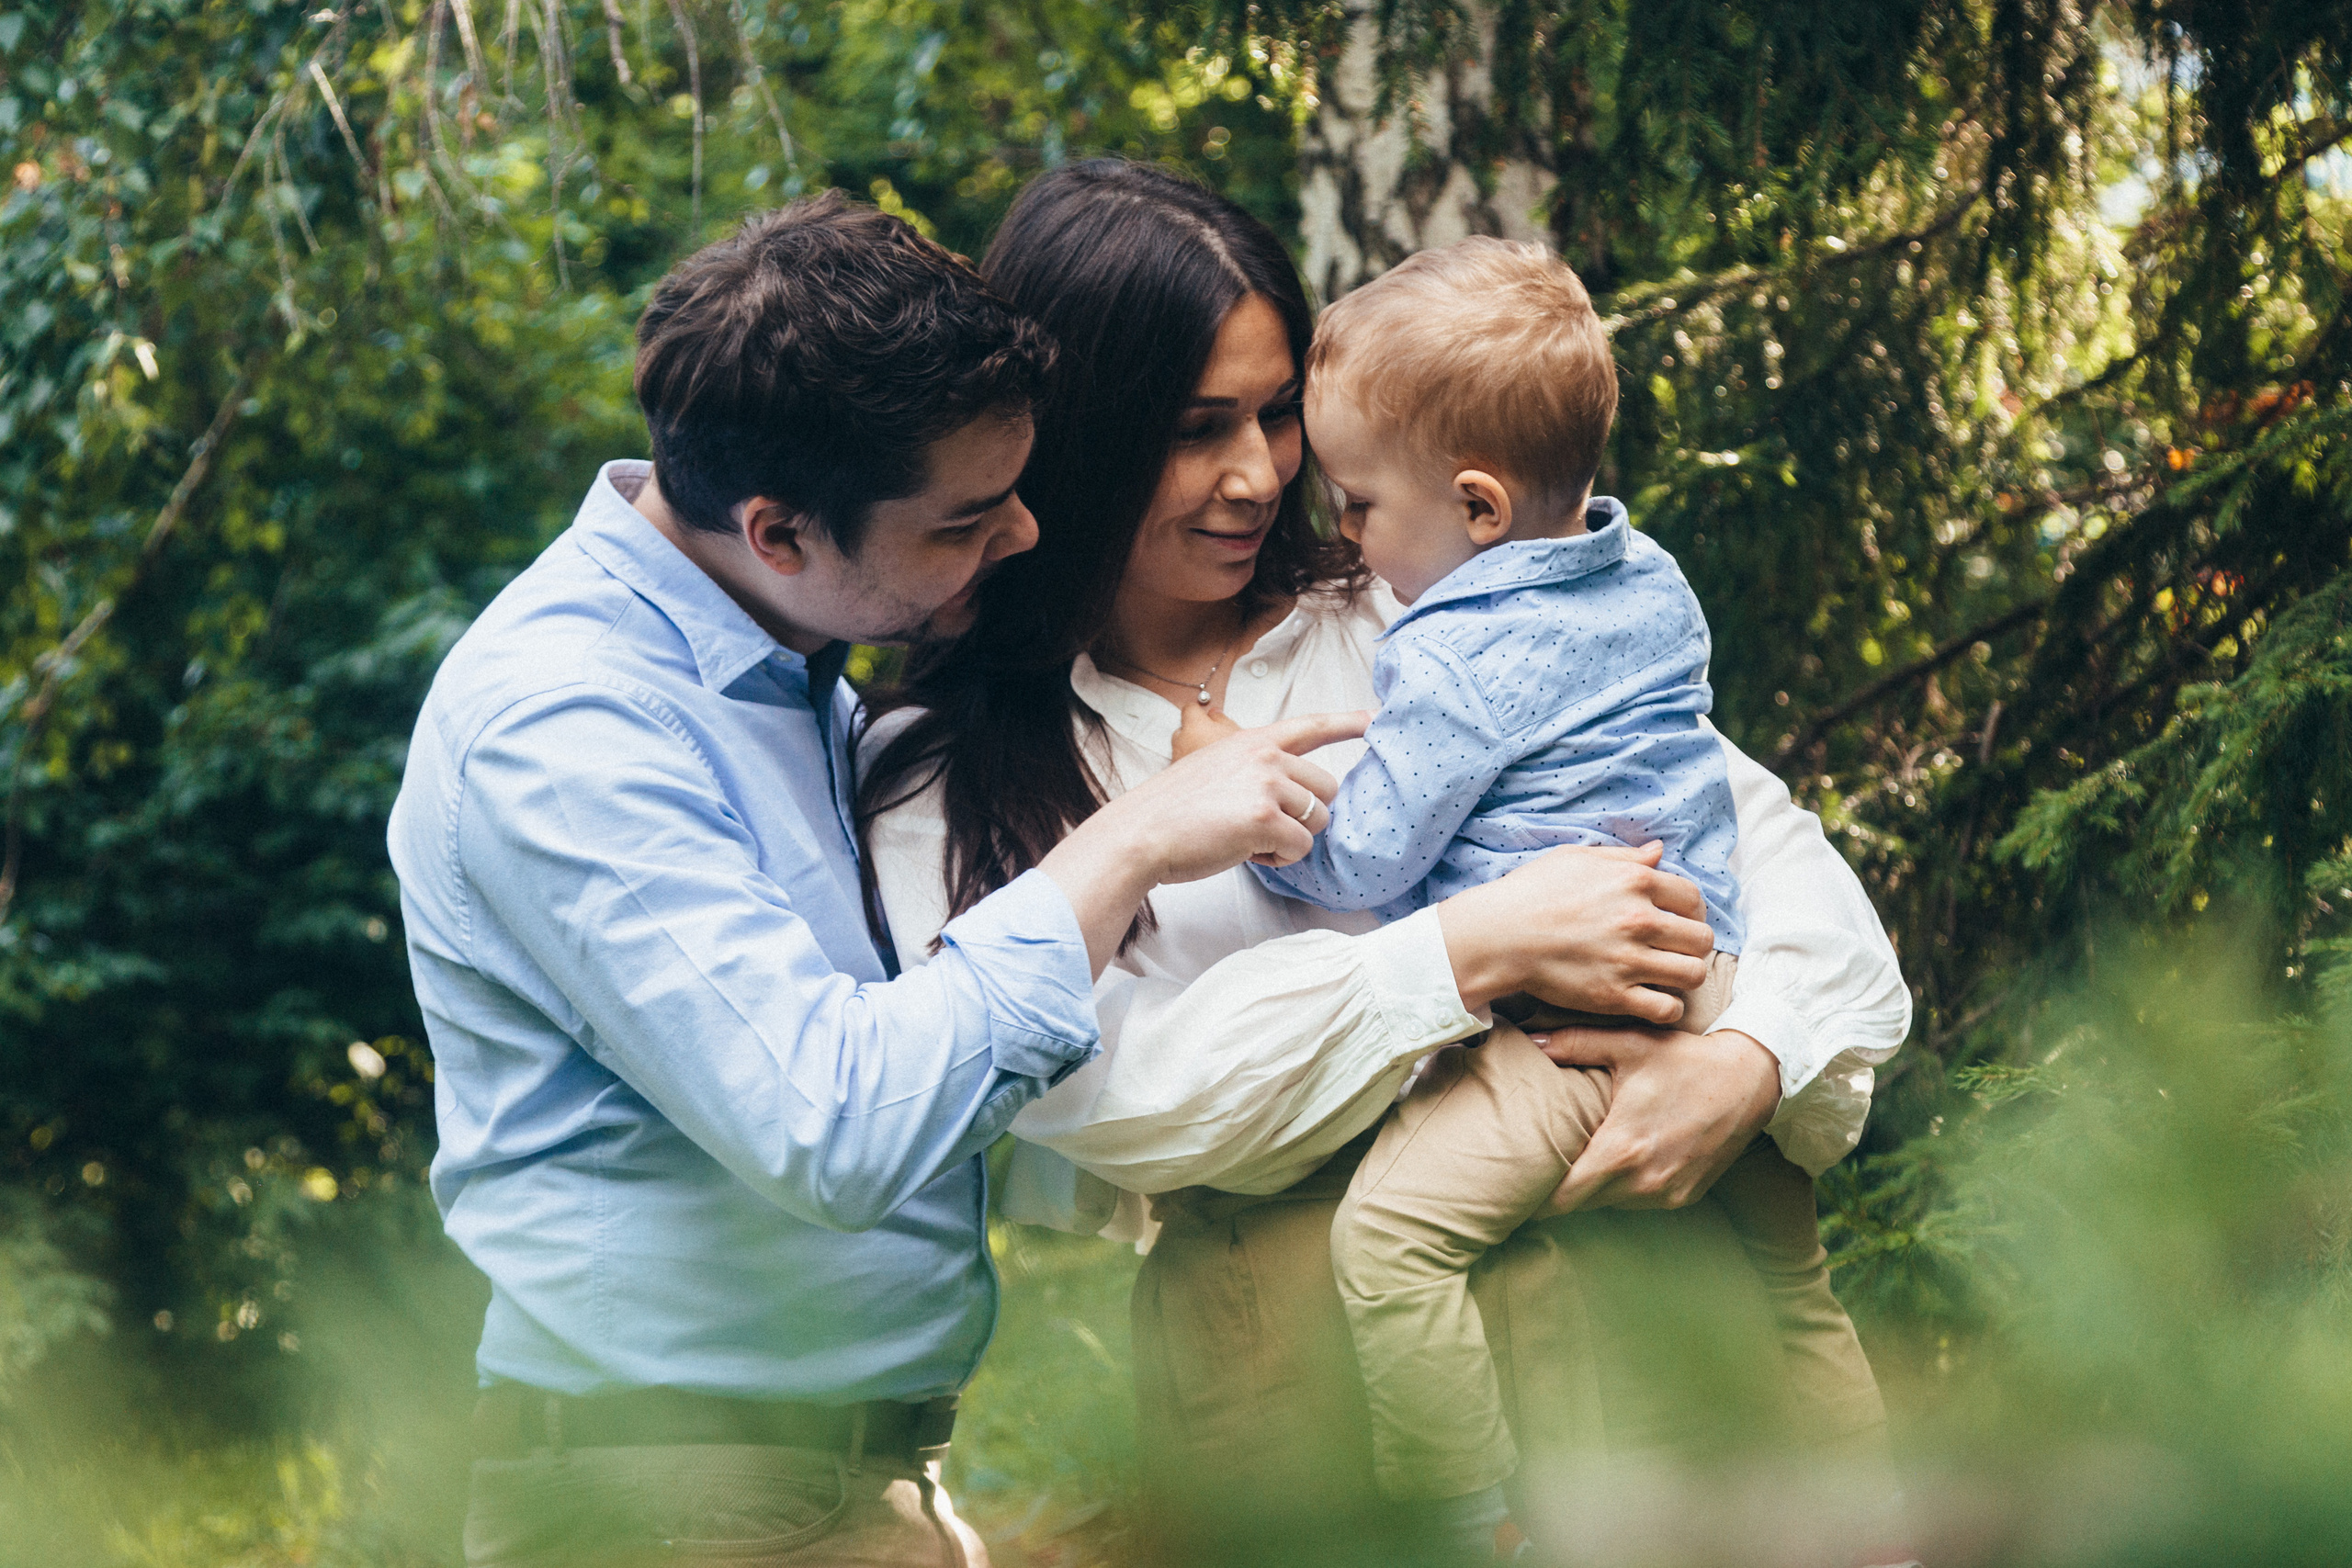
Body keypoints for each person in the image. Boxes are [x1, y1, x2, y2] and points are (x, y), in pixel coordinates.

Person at [859, 161, 1913, 1564]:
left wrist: (1754, 1058)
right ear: (1073, 436)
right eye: (1192, 429)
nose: (1254, 477)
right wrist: (1467, 954)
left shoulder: (1434, 604)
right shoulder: (954, 766)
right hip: (1304, 1392)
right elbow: (1124, 1095)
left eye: (1278, 414)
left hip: (1650, 1328)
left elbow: (1780, 868)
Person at [385, 193, 1375, 1568]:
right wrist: (1136, 838)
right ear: (781, 530)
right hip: (685, 1502)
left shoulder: (784, 674)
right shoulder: (567, 729)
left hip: (833, 1483)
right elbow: (830, 1123)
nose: (1027, 537)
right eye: (968, 518)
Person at [1251, 237, 1884, 1558]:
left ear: (1479, 509)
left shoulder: (1456, 653)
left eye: (1359, 505)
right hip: (1712, 978)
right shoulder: (1645, 576)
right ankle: (1879, 1534)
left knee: (1391, 1245)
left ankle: (1466, 1515)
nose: (1346, 537)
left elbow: (1369, 859)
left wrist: (1249, 817)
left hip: (1572, 1032)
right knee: (1794, 1288)